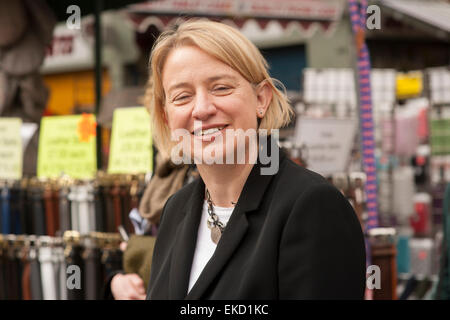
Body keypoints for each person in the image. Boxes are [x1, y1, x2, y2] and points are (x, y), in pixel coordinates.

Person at [145, 19, 366, 299]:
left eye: (221, 87)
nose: (201, 109)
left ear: (261, 98)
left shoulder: (312, 207)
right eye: (182, 96)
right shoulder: (176, 209)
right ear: (167, 116)